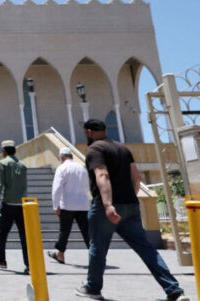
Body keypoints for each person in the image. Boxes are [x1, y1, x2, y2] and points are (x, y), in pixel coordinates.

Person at [75, 119, 187, 301]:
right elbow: (137, 176)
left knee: (98, 248)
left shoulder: (95, 149)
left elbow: (102, 174)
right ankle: (173, 289)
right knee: (146, 248)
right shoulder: (123, 149)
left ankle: (93, 288)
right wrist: (130, 198)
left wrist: (108, 204)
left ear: (89, 132)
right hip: (131, 206)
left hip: (107, 208)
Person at [0, 140, 29, 273]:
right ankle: (28, 264)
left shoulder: (3, 163)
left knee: (3, 233)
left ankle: (1, 259)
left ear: (4, 151)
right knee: (24, 236)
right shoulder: (22, 165)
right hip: (22, 205)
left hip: (8, 204)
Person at [48, 147, 90, 265]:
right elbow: (87, 186)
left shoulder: (62, 168)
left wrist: (56, 206)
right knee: (87, 232)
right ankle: (96, 255)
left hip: (67, 205)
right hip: (83, 205)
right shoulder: (82, 168)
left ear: (61, 158)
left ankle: (60, 254)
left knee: (64, 231)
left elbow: (57, 188)